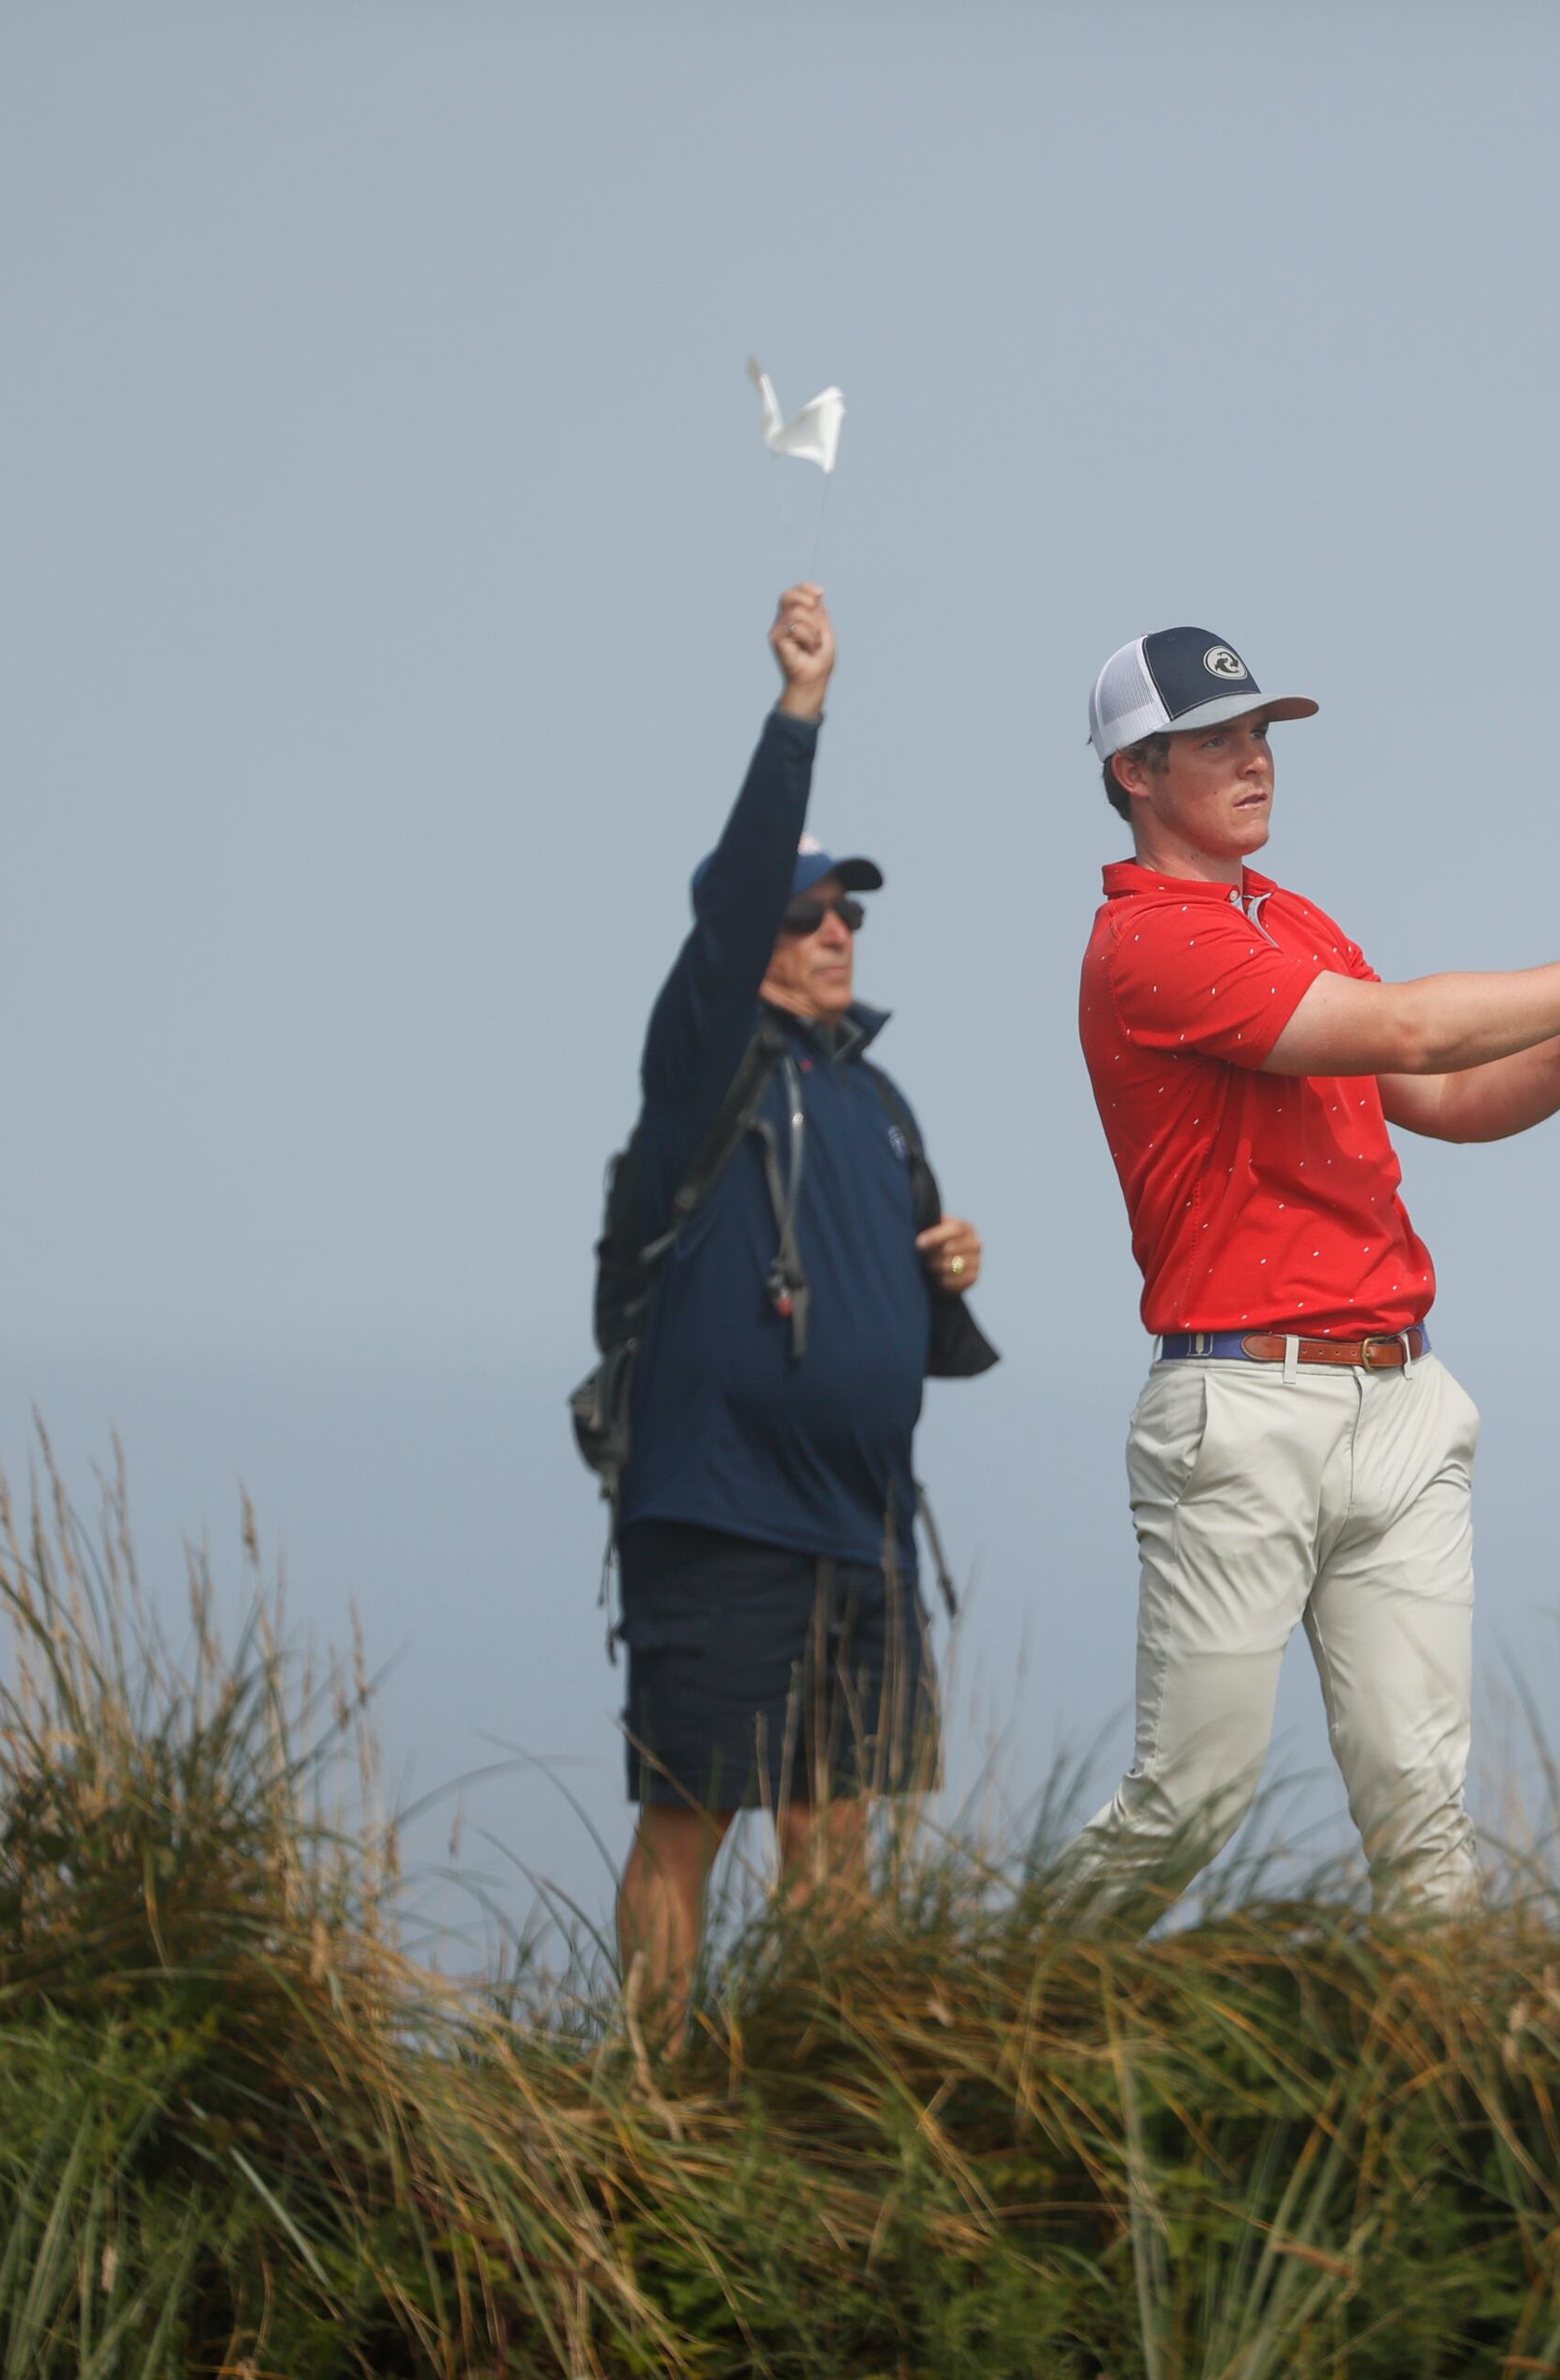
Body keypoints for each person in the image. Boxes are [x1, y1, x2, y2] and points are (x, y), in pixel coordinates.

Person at [1057, 625, 1560, 1916]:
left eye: (1260, 734)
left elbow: (1442, 1090)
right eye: (1215, 741)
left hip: (1402, 1400)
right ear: (1136, 773)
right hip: (1242, 1408)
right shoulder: (1150, 945)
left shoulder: (1291, 921)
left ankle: (1456, 2098)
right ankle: (972, 2029)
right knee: (1190, 1799)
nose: (1255, 760)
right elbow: (1410, 1021)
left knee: (1423, 1814)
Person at [595, 584, 998, 2021]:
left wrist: (939, 1266)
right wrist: (801, 712)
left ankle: (810, 2105)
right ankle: (653, 2102)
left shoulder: (872, 1095)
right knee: (691, 1820)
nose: (839, 932)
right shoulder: (703, 1064)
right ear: (747, 932)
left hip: (864, 1525)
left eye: (849, 913)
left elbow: (892, 1314)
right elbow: (740, 887)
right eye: (809, 912)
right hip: (720, 1517)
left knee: (840, 1833)